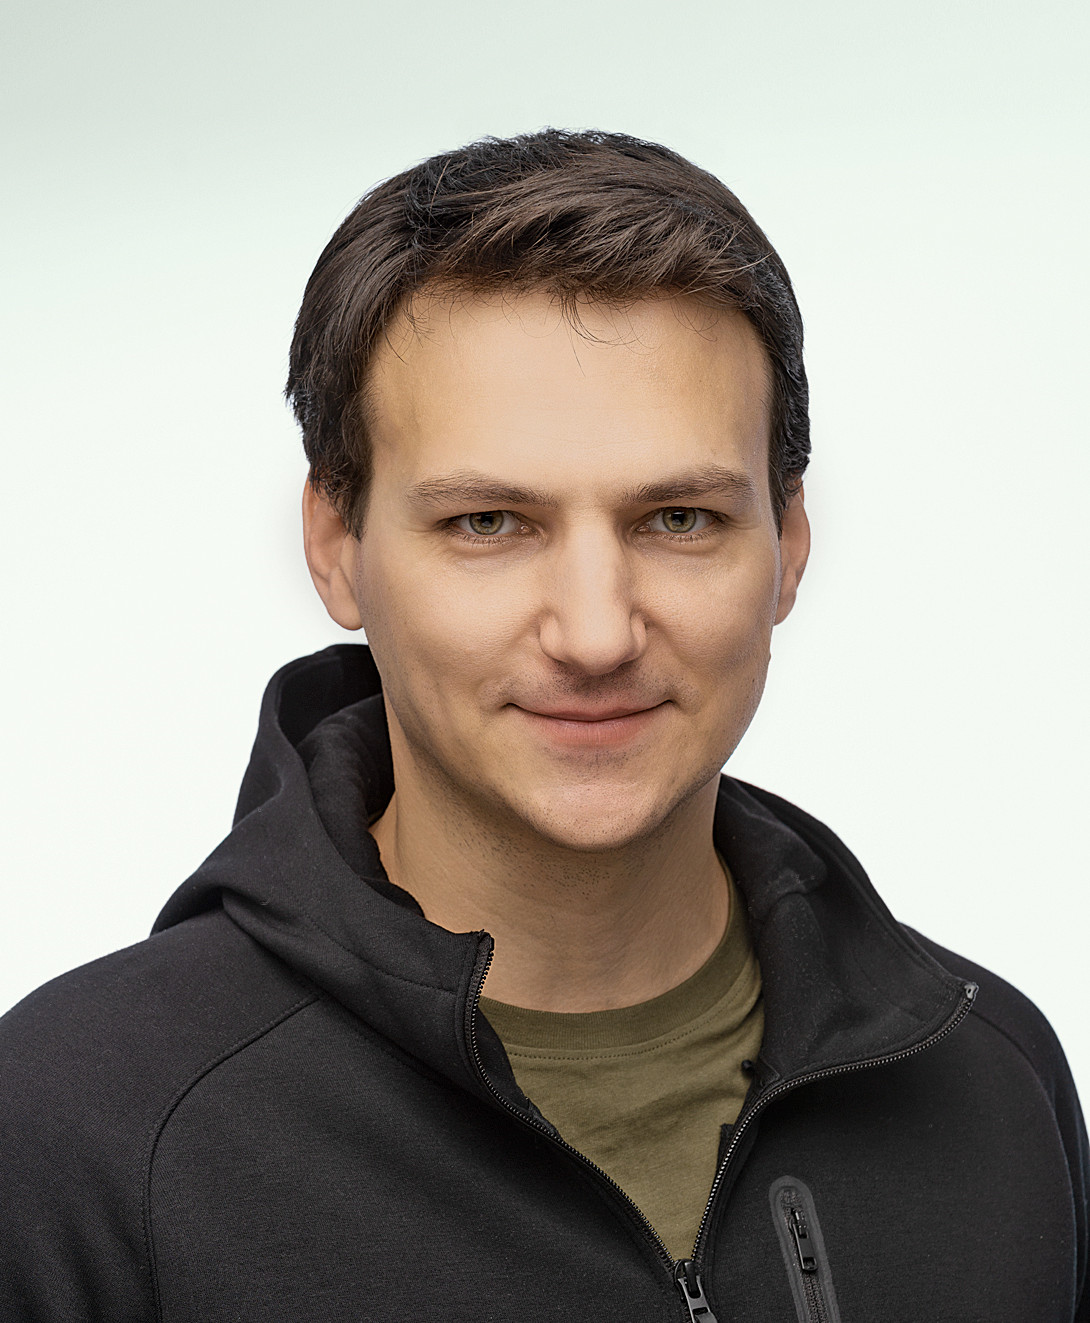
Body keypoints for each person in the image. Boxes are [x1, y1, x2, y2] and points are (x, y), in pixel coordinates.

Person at [0, 129, 1085, 1323]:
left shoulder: (992, 1082)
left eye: (678, 519)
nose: (594, 632)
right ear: (335, 546)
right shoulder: (74, 1135)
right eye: (487, 523)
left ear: (789, 545)